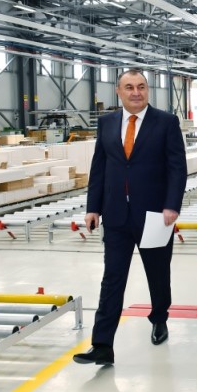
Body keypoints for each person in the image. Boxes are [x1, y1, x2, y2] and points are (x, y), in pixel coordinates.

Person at [74, 69, 187, 366]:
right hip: (116, 215)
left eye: (140, 87)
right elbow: (99, 167)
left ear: (147, 90)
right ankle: (102, 344)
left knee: (157, 274)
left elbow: (177, 167)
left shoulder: (166, 122)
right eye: (129, 87)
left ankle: (159, 317)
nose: (135, 92)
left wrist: (172, 205)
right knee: (112, 279)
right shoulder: (107, 123)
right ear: (118, 91)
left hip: (155, 215)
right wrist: (93, 207)